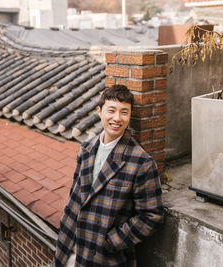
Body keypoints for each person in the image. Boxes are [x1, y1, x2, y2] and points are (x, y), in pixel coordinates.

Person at [55, 85, 164, 267]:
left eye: (124, 112)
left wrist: (111, 241)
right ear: (99, 111)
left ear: (130, 116)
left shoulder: (140, 162)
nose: (117, 118)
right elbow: (75, 196)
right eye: (111, 110)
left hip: (104, 257)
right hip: (69, 248)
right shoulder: (86, 148)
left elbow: (151, 215)